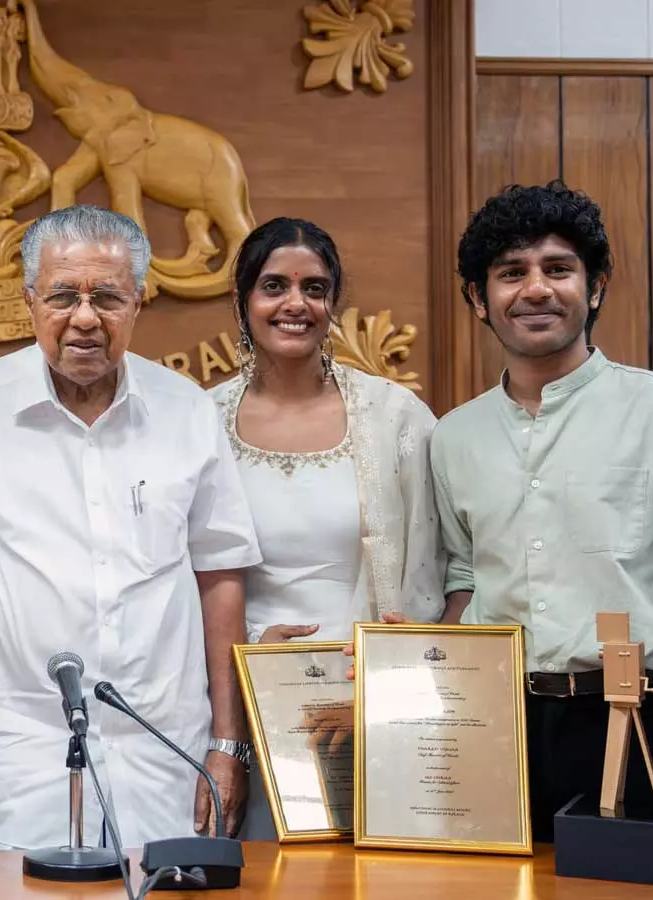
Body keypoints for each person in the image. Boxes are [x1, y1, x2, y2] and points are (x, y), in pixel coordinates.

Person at [0, 204, 263, 852]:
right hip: (14, 758)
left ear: (139, 301)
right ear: (30, 300)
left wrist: (226, 745)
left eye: (107, 297)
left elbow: (219, 577)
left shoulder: (187, 412)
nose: (85, 318)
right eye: (63, 295)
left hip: (165, 757)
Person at [431, 180, 653, 877]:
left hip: (640, 727)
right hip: (500, 733)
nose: (536, 289)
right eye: (511, 273)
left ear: (595, 286)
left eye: (558, 268)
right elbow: (464, 584)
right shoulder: (453, 438)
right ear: (479, 300)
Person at [207, 217, 443, 839]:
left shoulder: (394, 417)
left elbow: (434, 565)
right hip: (243, 705)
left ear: (333, 303)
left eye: (314, 288)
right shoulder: (199, 423)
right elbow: (186, 578)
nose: (295, 304)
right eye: (274, 285)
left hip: (374, 707)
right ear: (242, 301)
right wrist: (253, 653)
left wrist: (384, 675)